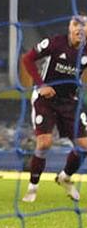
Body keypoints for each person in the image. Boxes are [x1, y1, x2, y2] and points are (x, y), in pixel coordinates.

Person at [20, 15, 87, 203]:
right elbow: (27, 59)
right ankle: (33, 188)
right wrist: (40, 84)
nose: (79, 30)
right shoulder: (55, 43)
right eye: (76, 25)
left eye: (84, 26)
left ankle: (64, 177)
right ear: (70, 28)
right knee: (44, 143)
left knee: (84, 147)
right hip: (45, 100)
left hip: (69, 102)